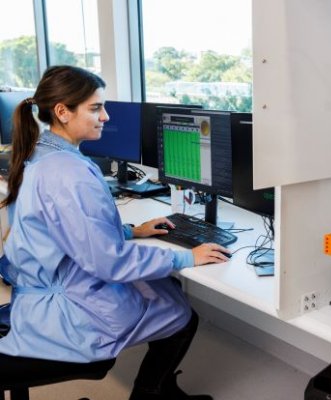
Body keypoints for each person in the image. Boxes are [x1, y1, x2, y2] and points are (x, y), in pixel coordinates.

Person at [0, 65, 231, 400]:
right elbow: (108, 263)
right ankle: (148, 394)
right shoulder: (70, 173)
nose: (105, 116)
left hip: (40, 289)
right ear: (63, 112)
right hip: (68, 312)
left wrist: (130, 230)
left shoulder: (40, 153)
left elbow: (63, 230)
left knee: (163, 287)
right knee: (180, 310)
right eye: (95, 108)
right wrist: (187, 256)